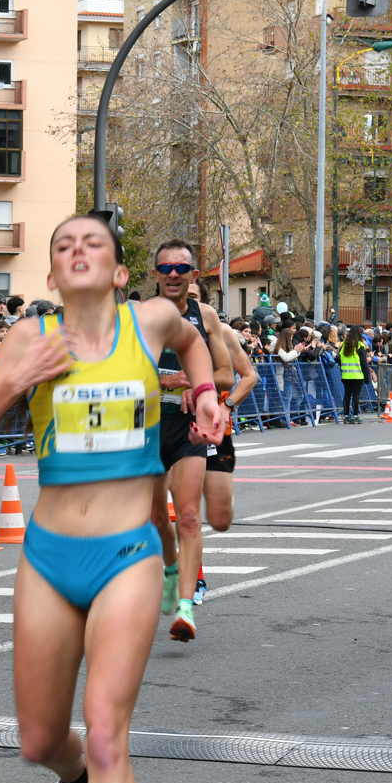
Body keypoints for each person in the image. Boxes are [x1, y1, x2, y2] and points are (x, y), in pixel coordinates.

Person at [0, 216, 223, 783]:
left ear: (120, 273)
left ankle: (96, 778)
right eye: (64, 245)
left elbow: (193, 343)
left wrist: (204, 395)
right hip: (48, 558)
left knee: (105, 734)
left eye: (92, 243)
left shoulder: (151, 320)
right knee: (40, 738)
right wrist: (17, 379)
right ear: (51, 275)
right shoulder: (30, 338)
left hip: (127, 553)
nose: (78, 249)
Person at [149, 239, 232, 642]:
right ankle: (169, 567)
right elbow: (120, 370)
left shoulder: (206, 316)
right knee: (156, 518)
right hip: (147, 426)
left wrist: (197, 387)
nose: (173, 275)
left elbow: (227, 374)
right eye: (166, 268)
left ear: (193, 276)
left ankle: (185, 607)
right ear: (155, 275)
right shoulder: (138, 317)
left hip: (187, 428)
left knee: (188, 516)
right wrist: (165, 380)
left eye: (181, 269)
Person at [188, 281, 258, 604]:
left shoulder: (221, 332)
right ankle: (193, 578)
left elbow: (249, 376)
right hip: (178, 427)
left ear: (205, 303)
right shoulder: (163, 326)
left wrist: (227, 406)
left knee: (218, 516)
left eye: (193, 297)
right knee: (185, 510)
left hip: (215, 429)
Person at [339, 325, 374, 423]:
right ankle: (355, 415)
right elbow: (363, 363)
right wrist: (367, 377)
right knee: (356, 395)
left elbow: (340, 360)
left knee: (347, 395)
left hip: (346, 374)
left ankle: (346, 415)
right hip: (357, 375)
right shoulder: (359, 345)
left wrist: (342, 372)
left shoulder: (343, 345)